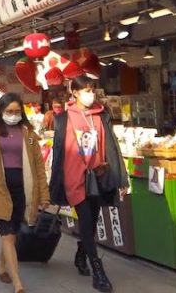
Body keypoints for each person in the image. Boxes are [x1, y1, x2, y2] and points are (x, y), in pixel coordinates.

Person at [50, 76, 129, 293]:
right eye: (85, 90)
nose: (90, 94)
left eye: (92, 89)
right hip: (75, 178)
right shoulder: (63, 119)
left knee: (92, 221)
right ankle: (98, 271)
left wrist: (119, 175)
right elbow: (59, 153)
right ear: (74, 93)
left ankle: (80, 254)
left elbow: (111, 146)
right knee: (85, 220)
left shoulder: (101, 115)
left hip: (98, 175)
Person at [0, 93, 49, 293]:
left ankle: (0, 263)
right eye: (9, 111)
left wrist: (44, 195)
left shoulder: (28, 133)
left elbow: (38, 166)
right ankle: (18, 284)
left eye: (17, 111)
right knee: (7, 234)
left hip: (22, 189)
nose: (13, 115)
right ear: (0, 111)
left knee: (13, 233)